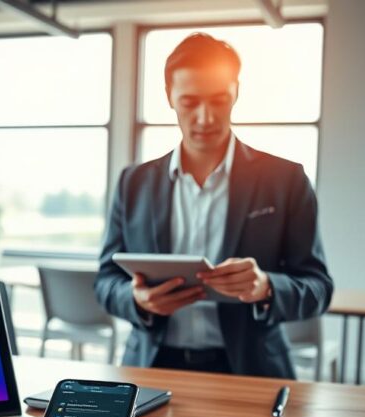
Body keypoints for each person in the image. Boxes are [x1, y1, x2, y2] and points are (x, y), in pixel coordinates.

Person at [94, 33, 333, 378]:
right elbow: (106, 280)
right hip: (151, 365)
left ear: (236, 92)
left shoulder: (286, 180)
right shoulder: (134, 183)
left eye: (218, 100)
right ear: (169, 97)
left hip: (252, 370)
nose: (205, 118)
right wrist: (138, 301)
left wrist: (265, 286)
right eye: (190, 102)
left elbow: (317, 288)